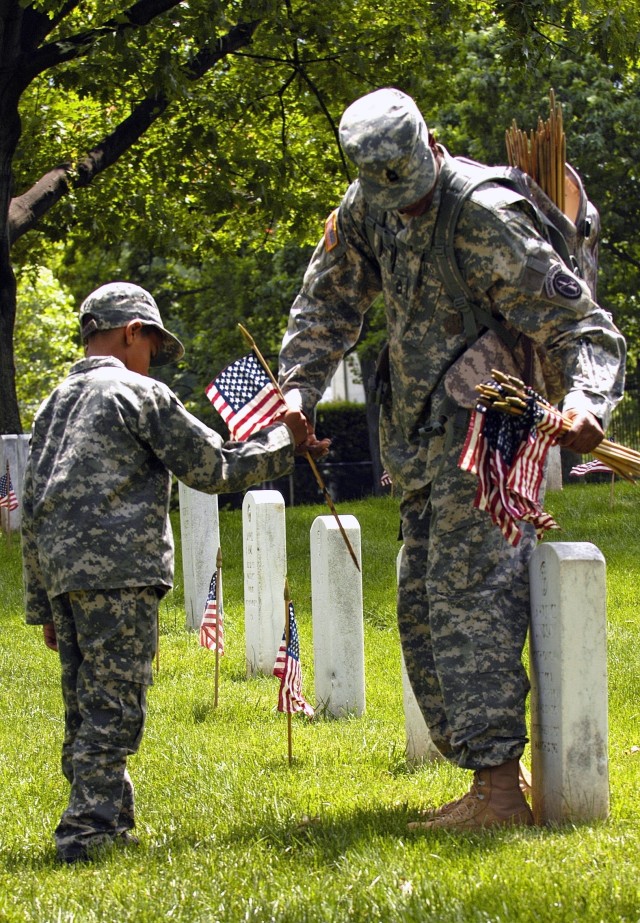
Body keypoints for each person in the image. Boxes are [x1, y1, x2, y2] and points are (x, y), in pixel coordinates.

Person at [278, 88, 626, 828]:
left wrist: (590, 402)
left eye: (408, 191)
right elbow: (326, 301)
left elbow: (580, 325)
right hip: (420, 439)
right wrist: (299, 389)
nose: (401, 208)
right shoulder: (370, 202)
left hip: (489, 431)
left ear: (427, 146)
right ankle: (491, 775)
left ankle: (498, 792)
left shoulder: (483, 214)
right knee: (421, 608)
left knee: (470, 600)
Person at [21, 281, 318, 863]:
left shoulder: (52, 404)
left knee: (85, 703)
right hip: (121, 572)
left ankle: (111, 812)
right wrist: (288, 444)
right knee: (115, 704)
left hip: (64, 577)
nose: (152, 358)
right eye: (151, 346)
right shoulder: (138, 394)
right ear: (132, 331)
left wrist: (41, 603)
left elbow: (32, 505)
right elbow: (214, 466)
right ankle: (86, 834)